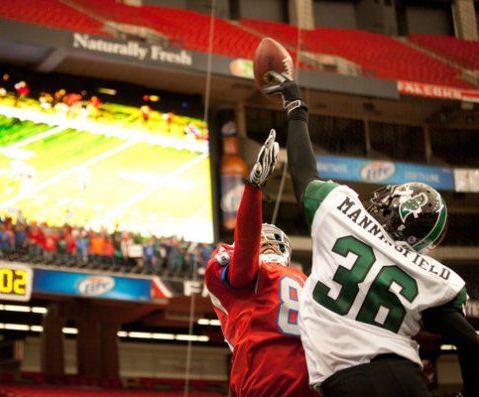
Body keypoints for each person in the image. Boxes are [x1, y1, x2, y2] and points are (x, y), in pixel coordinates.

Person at [261, 50, 478, 397]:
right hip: (406, 377)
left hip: (348, 380)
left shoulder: (341, 213)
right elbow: (469, 340)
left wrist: (296, 107)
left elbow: (303, 172)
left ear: (394, 210)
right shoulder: (429, 274)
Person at [204, 130, 318, 397]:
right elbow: (244, 251)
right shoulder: (306, 281)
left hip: (277, 377)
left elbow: (245, 250)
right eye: (261, 238)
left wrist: (253, 189)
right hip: (286, 377)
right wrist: (252, 190)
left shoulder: (306, 280)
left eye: (271, 240)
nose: (265, 242)